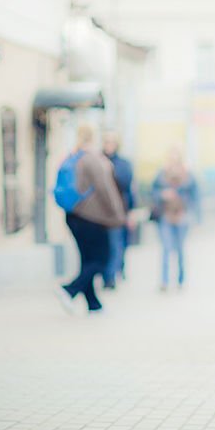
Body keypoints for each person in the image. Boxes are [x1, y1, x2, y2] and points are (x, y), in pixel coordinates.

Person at [55, 126, 126, 313]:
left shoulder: (74, 156)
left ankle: (93, 303)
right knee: (103, 259)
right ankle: (69, 289)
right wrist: (118, 215)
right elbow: (105, 189)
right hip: (91, 218)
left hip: (73, 216)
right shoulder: (93, 159)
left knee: (87, 260)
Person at [151, 147, 198, 291]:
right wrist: (162, 195)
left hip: (182, 216)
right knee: (166, 248)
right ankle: (164, 281)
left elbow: (195, 196)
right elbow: (152, 192)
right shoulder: (161, 175)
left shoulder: (188, 175)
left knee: (180, 249)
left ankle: (180, 280)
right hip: (165, 215)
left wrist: (194, 214)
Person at [101, 132, 135, 289]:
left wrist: (131, 213)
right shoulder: (97, 160)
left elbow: (128, 188)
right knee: (104, 245)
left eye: (112, 142)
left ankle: (111, 276)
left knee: (117, 244)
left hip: (118, 211)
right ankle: (107, 274)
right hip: (100, 211)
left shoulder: (123, 164)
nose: (109, 145)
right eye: (107, 141)